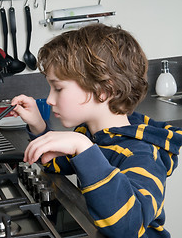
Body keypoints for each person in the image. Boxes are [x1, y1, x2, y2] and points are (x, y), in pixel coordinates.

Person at [10, 23, 182, 238]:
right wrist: (38, 125)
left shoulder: (143, 154)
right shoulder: (90, 135)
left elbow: (127, 227)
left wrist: (83, 148)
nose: (50, 99)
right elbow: (54, 163)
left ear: (103, 91)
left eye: (58, 88)